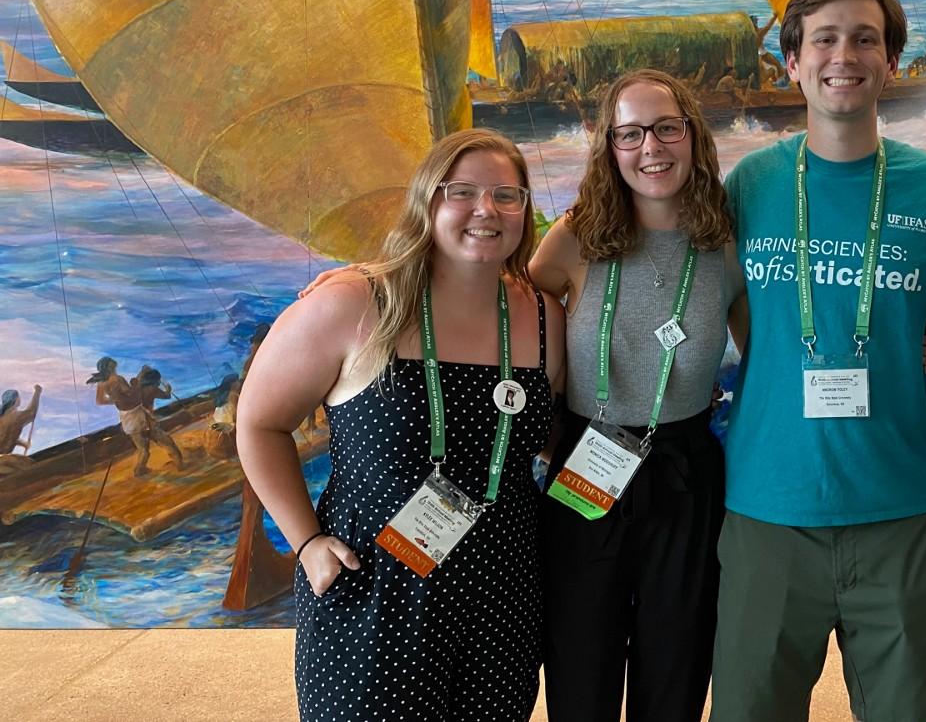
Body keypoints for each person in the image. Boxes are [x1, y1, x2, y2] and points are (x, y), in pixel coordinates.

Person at [710, 0, 926, 722]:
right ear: (793, 62)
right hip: (768, 512)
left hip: (893, 510)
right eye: (824, 39)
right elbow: (728, 300)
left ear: (890, 62)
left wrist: (904, 327)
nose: (845, 54)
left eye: (866, 39)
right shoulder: (748, 185)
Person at [237, 129, 565, 721]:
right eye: (461, 191)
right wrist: (306, 541)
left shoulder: (543, 316)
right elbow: (259, 424)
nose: (485, 209)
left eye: (506, 195)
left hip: (503, 596)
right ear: (426, 201)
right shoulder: (356, 301)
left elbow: (545, 435)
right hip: (377, 593)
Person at [530, 68, 740, 722]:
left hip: (683, 474)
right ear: (609, 147)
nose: (651, 147)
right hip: (585, 462)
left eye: (665, 127)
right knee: (580, 661)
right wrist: (375, 278)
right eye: (630, 134)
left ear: (692, 135)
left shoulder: (729, 242)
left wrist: (900, 342)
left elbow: (775, 352)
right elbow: (489, 299)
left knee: (675, 665)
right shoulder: (573, 238)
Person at [90, 357, 185, 476]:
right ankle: (181, 467)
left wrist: (117, 400)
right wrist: (137, 382)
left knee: (143, 451)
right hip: (137, 415)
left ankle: (139, 471)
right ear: (111, 366)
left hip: (126, 417)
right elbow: (131, 393)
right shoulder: (118, 379)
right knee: (167, 442)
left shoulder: (101, 384)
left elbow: (100, 401)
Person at [0, 385, 41, 455]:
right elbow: (32, 412)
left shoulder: (3, 417)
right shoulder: (18, 417)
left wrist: (23, 444)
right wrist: (37, 392)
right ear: (16, 400)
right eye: (19, 397)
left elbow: (8, 436)